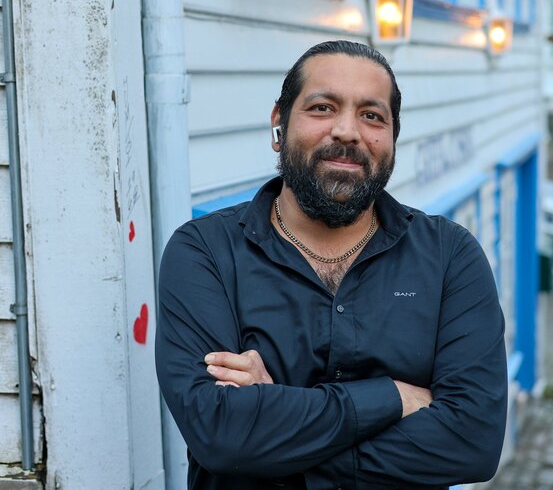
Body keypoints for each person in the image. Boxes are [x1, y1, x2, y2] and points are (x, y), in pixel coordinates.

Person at [155, 40, 508, 490]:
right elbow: (222, 434)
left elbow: (472, 442)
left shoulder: (449, 256)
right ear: (279, 123)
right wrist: (393, 398)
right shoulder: (205, 253)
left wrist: (276, 429)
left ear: (393, 138)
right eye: (322, 108)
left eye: (372, 116)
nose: (347, 131)